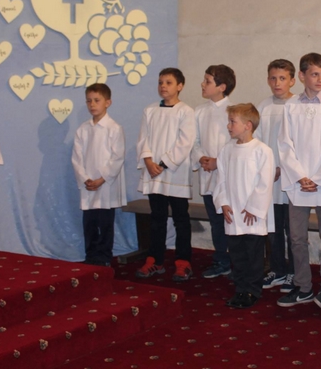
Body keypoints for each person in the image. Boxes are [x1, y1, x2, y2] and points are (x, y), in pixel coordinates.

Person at [277, 53, 321, 310]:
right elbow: (285, 144)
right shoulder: (291, 106)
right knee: (296, 237)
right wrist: (300, 176)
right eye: (315, 74)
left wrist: (318, 178)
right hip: (299, 182)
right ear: (302, 76)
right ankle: (303, 286)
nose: (320, 79)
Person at [135, 68, 196, 282]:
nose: (163, 86)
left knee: (181, 219)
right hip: (154, 172)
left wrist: (163, 163)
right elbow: (143, 138)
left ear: (180, 86)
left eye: (168, 82)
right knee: (157, 219)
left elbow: (185, 142)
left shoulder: (186, 111)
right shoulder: (150, 110)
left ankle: (183, 262)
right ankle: (155, 260)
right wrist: (148, 161)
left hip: (175, 173)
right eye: (161, 82)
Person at [215, 103, 275, 309]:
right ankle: (240, 289)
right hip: (233, 213)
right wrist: (223, 202)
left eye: (232, 122)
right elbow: (221, 180)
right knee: (238, 256)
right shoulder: (226, 151)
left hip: (252, 215)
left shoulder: (262, 151)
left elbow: (265, 183)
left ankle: (252, 291)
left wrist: (254, 207)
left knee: (253, 256)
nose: (228, 126)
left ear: (248, 125)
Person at [71, 83, 127, 267]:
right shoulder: (82, 129)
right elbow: (77, 158)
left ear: (107, 102)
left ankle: (103, 257)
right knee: (89, 223)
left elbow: (117, 157)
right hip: (88, 185)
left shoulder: (114, 128)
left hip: (106, 185)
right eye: (89, 101)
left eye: (97, 100)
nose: (92, 104)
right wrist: (85, 179)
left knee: (105, 223)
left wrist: (102, 179)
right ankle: (91, 256)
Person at [256, 59, 298, 293]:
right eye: (273, 78)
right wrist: (266, 166)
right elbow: (258, 142)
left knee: (293, 230)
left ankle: (294, 272)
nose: (277, 83)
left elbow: (300, 142)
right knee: (272, 229)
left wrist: (283, 166)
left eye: (282, 78)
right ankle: (277, 269)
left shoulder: (298, 105)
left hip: (291, 178)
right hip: (269, 178)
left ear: (292, 80)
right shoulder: (263, 106)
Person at [192, 64, 236, 279]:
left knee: (231, 221)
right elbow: (195, 141)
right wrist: (201, 157)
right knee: (216, 222)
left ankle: (236, 262)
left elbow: (238, 144)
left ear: (222, 87)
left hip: (228, 177)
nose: (202, 84)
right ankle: (221, 260)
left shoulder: (234, 111)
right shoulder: (199, 111)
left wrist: (219, 162)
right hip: (208, 174)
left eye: (207, 81)